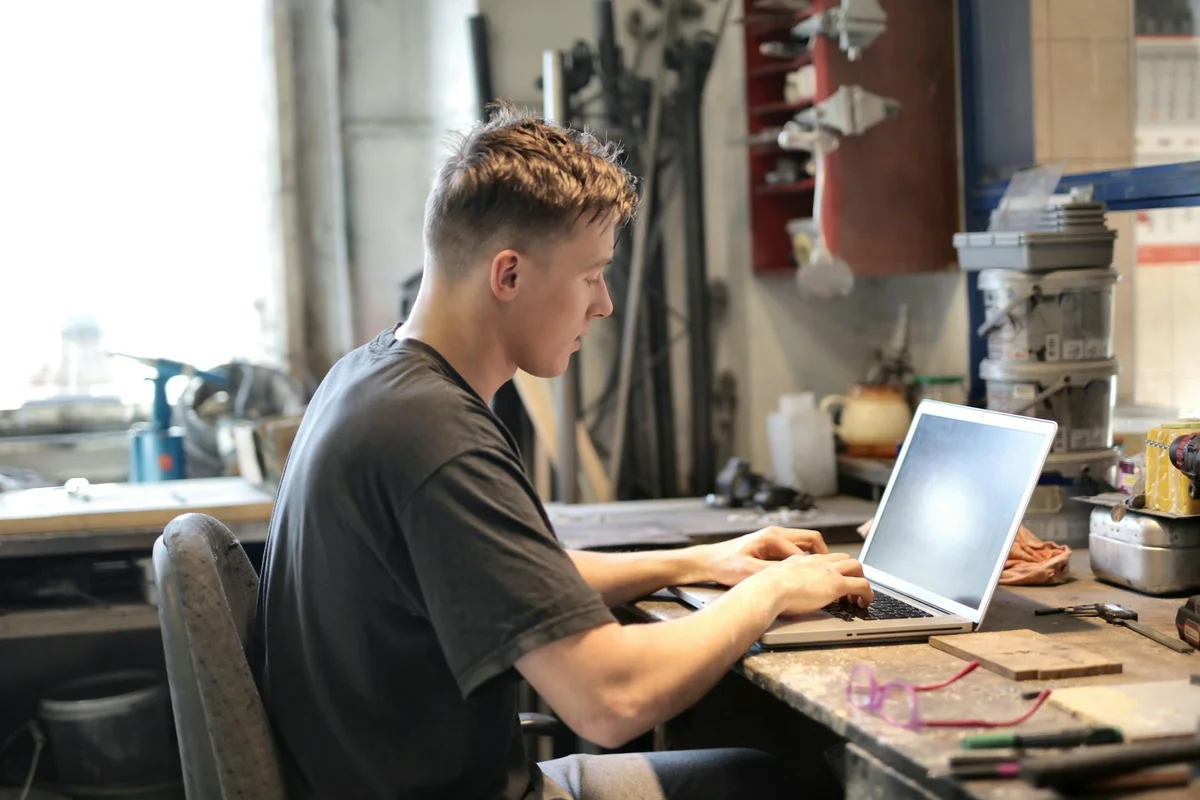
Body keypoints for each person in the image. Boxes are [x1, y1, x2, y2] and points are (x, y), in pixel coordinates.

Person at [251, 105, 873, 800]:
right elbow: (610, 700)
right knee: (778, 784)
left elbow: (505, 575)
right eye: (591, 276)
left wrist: (701, 562)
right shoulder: (436, 439)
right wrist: (774, 591)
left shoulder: (369, 377)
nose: (603, 305)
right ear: (509, 275)